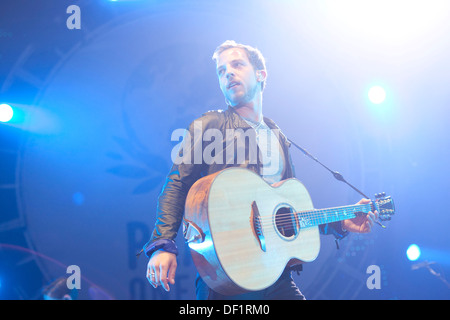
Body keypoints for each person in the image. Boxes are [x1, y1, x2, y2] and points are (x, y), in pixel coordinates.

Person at [143, 40, 378, 300]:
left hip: (275, 273)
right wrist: (162, 244)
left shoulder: (278, 137)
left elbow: (286, 212)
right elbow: (177, 183)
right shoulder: (210, 125)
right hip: (226, 275)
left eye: (237, 65)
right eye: (221, 71)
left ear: (260, 74)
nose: (228, 73)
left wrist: (339, 222)